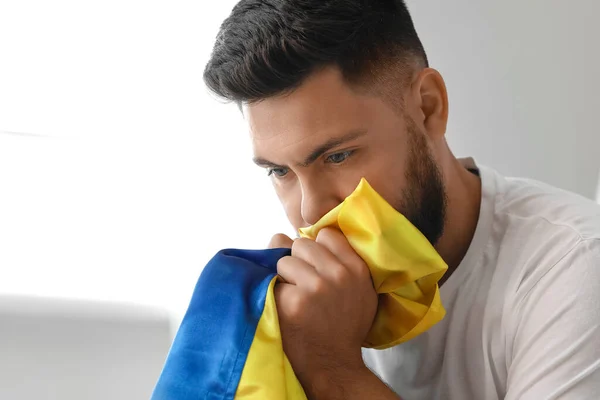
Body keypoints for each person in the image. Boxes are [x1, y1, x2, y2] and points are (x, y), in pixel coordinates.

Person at [203, 1, 600, 399]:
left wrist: (331, 368)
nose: (310, 211)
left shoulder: (576, 265)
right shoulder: (287, 309)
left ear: (429, 108)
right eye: (280, 172)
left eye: (337, 156)